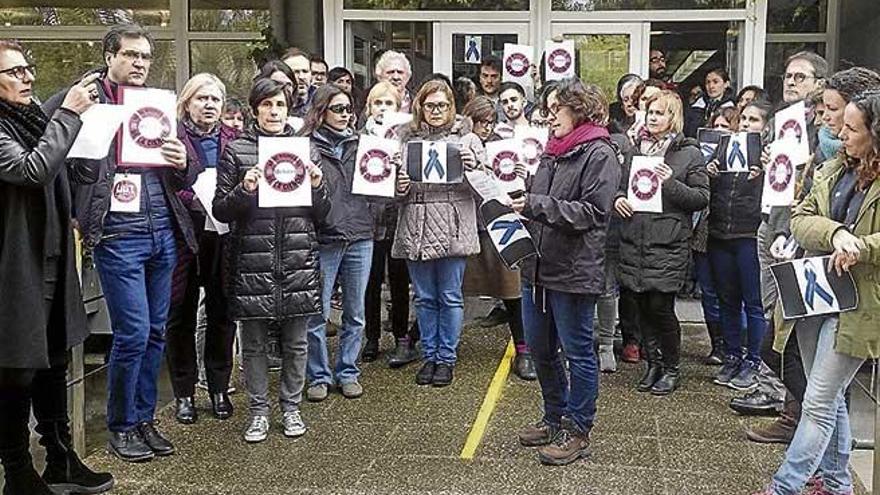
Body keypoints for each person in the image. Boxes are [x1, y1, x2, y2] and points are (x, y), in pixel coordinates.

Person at [43, 23, 195, 463]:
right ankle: (122, 425)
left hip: (164, 231)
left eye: (146, 57)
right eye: (131, 55)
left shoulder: (159, 103)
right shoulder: (83, 97)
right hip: (118, 235)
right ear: (109, 55)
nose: (140, 64)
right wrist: (75, 209)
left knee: (154, 332)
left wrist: (183, 161)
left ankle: (145, 419)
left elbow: (189, 167)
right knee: (130, 333)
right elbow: (49, 150)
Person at [0, 39, 115, 495]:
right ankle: (17, 471)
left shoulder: (32, 120)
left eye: (28, 68)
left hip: (51, 256)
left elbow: (59, 170)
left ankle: (61, 456)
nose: (27, 77)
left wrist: (88, 143)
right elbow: (30, 171)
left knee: (53, 360)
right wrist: (67, 114)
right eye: (14, 71)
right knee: (14, 370)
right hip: (16, 267)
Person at [752, 89, 880, 495]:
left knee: (819, 403)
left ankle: (784, 487)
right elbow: (800, 219)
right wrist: (838, 233)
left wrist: (862, 247)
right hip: (814, 295)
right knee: (831, 398)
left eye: (852, 128)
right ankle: (838, 484)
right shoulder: (832, 169)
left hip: (859, 306)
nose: (841, 133)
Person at [213, 78, 329, 443]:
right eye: (266, 105)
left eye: (279, 105)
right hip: (252, 259)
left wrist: (317, 186)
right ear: (255, 110)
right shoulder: (236, 151)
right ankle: (259, 411)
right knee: (254, 345)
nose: (274, 111)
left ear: (288, 108)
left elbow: (324, 215)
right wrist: (244, 190)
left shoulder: (306, 149)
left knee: (297, 343)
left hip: (297, 258)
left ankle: (291, 408)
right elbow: (221, 209)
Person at [512, 78, 620, 465]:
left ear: (579, 109)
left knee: (578, 352)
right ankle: (553, 414)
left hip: (574, 270)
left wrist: (534, 204)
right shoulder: (552, 151)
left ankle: (577, 428)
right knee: (540, 349)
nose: (549, 116)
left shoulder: (599, 153)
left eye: (556, 108)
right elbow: (538, 202)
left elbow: (593, 212)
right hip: (538, 267)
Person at [615, 90, 709, 395]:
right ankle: (652, 364)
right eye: (650, 112)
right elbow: (618, 186)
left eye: (659, 113)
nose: (653, 118)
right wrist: (618, 199)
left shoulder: (689, 153)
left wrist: (670, 182)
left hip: (667, 243)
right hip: (634, 239)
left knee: (661, 308)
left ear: (673, 118)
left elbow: (700, 198)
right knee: (639, 306)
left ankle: (671, 368)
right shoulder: (634, 150)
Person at [394, 80, 480, 387]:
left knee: (450, 296)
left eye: (442, 105)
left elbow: (484, 188)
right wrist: (398, 187)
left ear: (451, 107)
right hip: (415, 223)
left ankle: (446, 358)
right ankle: (429, 355)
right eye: (430, 105)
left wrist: (474, 167)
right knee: (425, 297)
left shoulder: (468, 140)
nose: (436, 111)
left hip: (452, 224)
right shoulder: (404, 141)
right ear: (420, 107)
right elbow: (392, 191)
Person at [165, 73, 239, 425]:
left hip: (223, 237)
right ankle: (183, 393)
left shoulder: (235, 140)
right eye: (201, 99)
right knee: (179, 315)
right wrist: (192, 198)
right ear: (187, 103)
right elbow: (163, 183)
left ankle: (219, 387)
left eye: (215, 100)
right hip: (183, 236)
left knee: (222, 313)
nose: (208, 105)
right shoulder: (169, 138)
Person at [301, 84, 375, 401]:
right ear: (321, 112)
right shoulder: (305, 147)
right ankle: (318, 375)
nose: (346, 115)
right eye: (338, 109)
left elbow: (380, 191)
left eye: (349, 109)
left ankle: (348, 371)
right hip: (324, 236)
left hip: (360, 233)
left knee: (355, 312)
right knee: (316, 313)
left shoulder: (366, 145)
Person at [459, 95, 536, 381]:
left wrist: (519, 175)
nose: (486, 128)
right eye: (480, 122)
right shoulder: (459, 144)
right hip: (468, 222)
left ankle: (524, 349)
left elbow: (517, 188)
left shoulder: (504, 143)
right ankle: (427, 342)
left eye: (490, 122)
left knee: (512, 287)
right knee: (452, 288)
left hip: (501, 221)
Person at [705, 98, 770, 392]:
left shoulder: (768, 155)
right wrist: (712, 173)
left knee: (753, 302)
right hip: (720, 232)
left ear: (765, 126)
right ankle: (732, 355)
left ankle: (754, 360)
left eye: (754, 120)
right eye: (744, 118)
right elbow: (712, 190)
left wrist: (764, 176)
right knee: (727, 299)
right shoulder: (724, 146)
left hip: (748, 233)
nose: (746, 124)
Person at [360, 81, 420, 367]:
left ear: (400, 108)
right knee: (369, 282)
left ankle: (401, 336)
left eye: (389, 104)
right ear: (369, 107)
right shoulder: (360, 138)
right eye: (378, 103)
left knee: (398, 281)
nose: (383, 109)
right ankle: (371, 337)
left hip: (398, 218)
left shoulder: (408, 139)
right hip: (368, 220)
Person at [685, 67, 735, 137]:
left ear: (726, 84)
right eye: (708, 82)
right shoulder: (696, 106)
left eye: (715, 82)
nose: (711, 86)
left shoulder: (732, 107)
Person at [282, 47, 314, 118]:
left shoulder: (321, 101)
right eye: (295, 72)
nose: (301, 77)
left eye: (305, 71)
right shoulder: (275, 102)